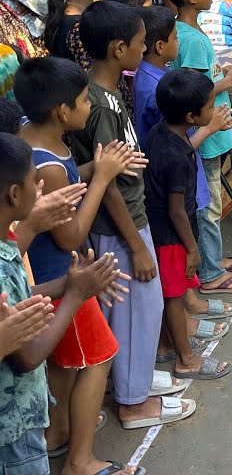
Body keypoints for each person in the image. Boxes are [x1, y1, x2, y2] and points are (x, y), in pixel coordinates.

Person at [68, 1, 199, 429]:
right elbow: (108, 189)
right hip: (121, 228)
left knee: (141, 310)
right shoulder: (103, 107)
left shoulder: (104, 94)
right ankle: (132, 402)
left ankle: (135, 383)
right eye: (142, 45)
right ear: (119, 48)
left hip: (127, 223)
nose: (146, 53)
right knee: (132, 313)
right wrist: (137, 247)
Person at [14, 56, 142, 475]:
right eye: (85, 100)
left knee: (66, 362)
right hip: (64, 280)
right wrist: (102, 179)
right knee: (98, 358)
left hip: (53, 279)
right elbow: (69, 236)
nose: (91, 106)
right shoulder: (47, 165)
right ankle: (80, 460)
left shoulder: (32, 140)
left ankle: (59, 433)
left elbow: (67, 180)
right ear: (63, 112)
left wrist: (96, 167)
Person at [159, 0, 232, 298]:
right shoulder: (192, 41)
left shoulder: (188, 33)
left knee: (209, 201)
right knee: (208, 204)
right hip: (204, 135)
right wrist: (227, 80)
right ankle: (211, 272)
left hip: (209, 130)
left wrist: (220, 73)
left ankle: (213, 258)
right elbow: (191, 90)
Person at [145, 68, 232, 383]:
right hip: (172, 237)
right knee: (172, 298)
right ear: (192, 116)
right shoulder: (178, 154)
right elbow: (176, 210)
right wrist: (192, 249)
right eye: (209, 108)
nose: (212, 113)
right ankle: (186, 359)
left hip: (163, 232)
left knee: (173, 293)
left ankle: (172, 344)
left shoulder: (161, 133)